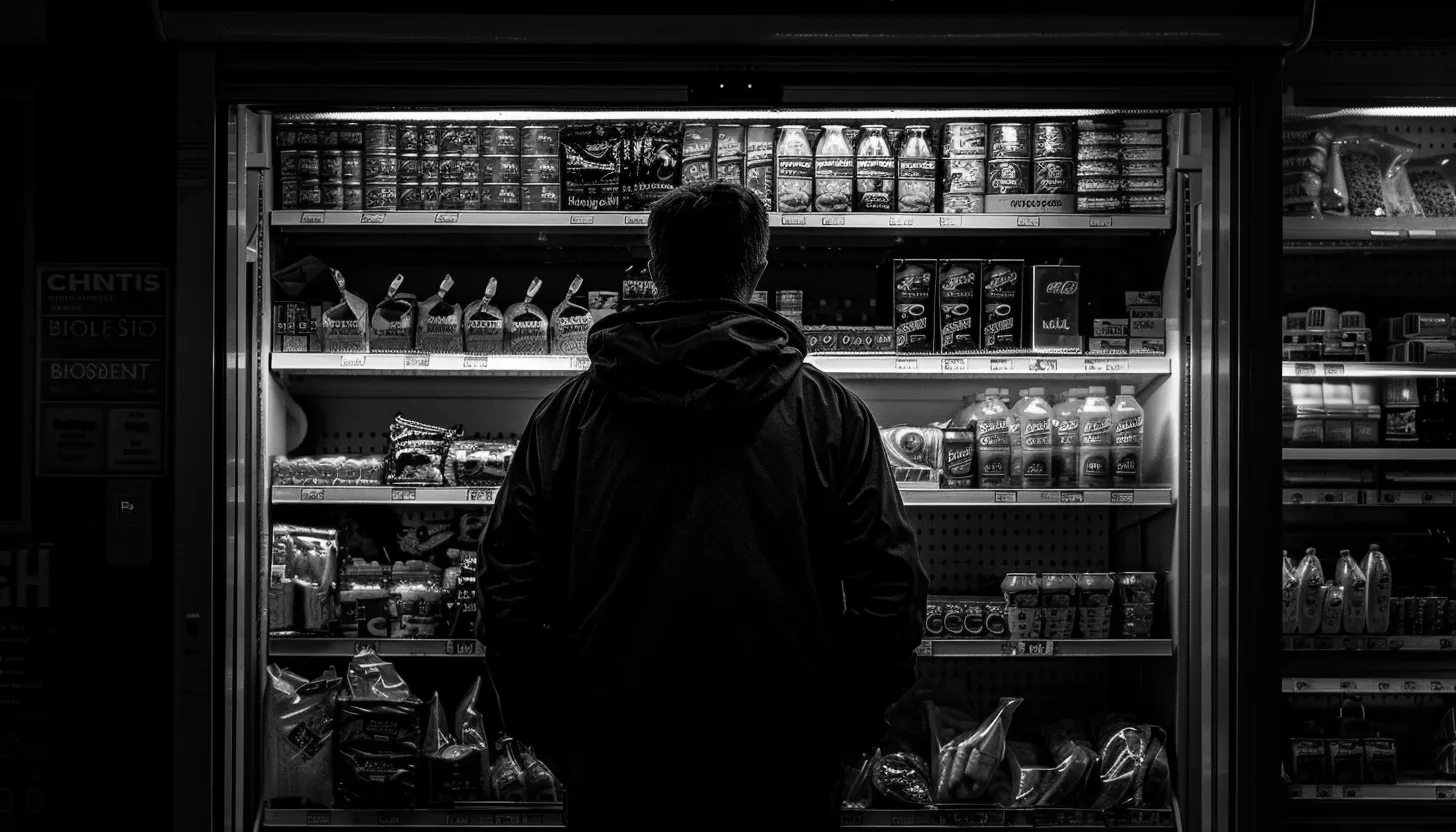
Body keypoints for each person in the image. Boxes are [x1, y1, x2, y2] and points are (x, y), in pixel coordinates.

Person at [477, 182, 927, 830]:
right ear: (758, 268)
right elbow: (892, 587)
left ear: (654, 269)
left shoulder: (567, 415)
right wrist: (848, 725)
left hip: (616, 756)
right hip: (785, 758)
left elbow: (506, 586)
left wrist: (550, 729)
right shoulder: (832, 414)